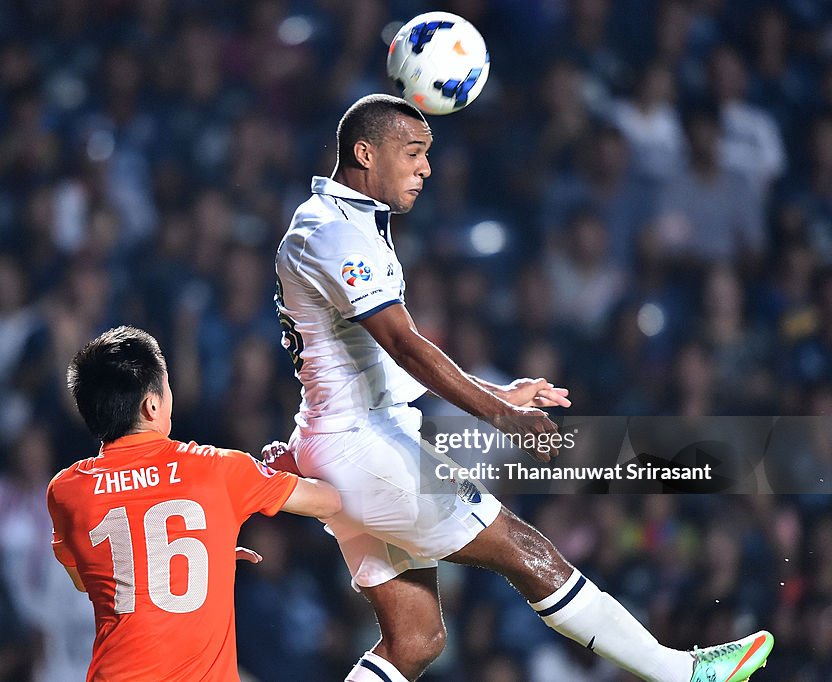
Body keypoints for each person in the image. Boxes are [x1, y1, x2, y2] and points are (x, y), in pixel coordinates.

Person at [272, 93, 773, 682]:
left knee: (415, 638)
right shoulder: (336, 235)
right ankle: (678, 672)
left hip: (345, 441)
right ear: (365, 152)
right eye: (413, 153)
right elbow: (406, 345)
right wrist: (501, 418)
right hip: (364, 448)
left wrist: (498, 393)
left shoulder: (336, 225)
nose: (427, 168)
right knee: (524, 550)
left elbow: (381, 361)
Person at [46, 325, 341, 681]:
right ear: (152, 404)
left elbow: (89, 578)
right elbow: (329, 502)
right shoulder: (218, 468)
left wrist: (186, 557)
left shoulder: (66, 491)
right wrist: (294, 463)